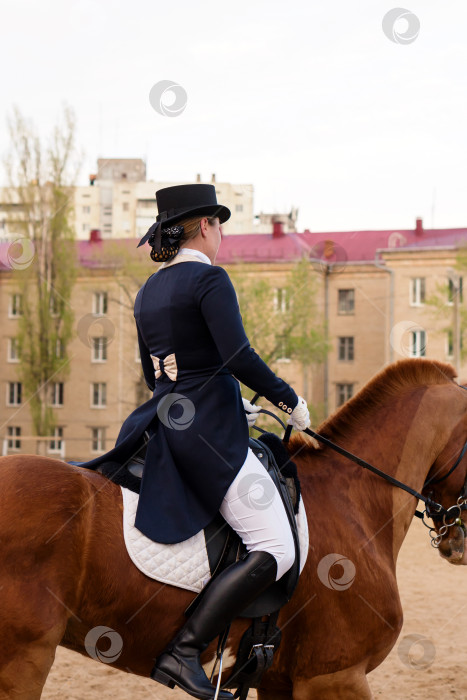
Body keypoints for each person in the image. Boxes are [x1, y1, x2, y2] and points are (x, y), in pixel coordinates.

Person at [83, 184, 316, 700]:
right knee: (276, 546)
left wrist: (238, 402)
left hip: (164, 422)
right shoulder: (209, 278)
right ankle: (186, 648)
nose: (222, 234)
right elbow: (237, 355)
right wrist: (286, 400)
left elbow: (158, 374)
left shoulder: (147, 291)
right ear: (206, 226)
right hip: (210, 435)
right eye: (220, 225)